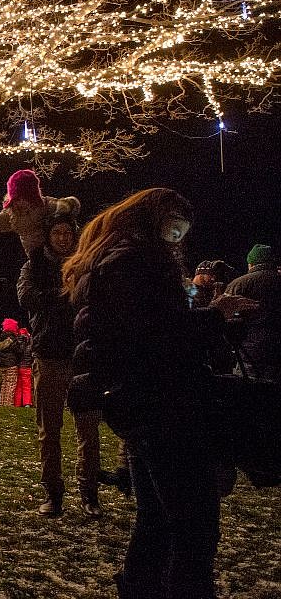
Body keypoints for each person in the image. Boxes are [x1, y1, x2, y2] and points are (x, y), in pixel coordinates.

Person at [63, 188, 252, 599]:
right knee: (194, 521)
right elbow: (160, 337)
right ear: (154, 221)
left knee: (157, 519)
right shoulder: (140, 262)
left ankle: (140, 588)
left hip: (139, 402)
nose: (178, 236)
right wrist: (215, 317)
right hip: (164, 403)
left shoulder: (115, 259)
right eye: (174, 225)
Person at [18, 210, 102, 517]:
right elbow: (28, 298)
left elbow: (96, 299)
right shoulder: (34, 266)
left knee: (88, 429)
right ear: (48, 236)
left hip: (83, 354)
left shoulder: (85, 265)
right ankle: (53, 493)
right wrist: (65, 294)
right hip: (49, 355)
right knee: (49, 430)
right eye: (57, 233)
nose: (63, 238)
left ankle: (89, 493)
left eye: (68, 233)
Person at [0, 168, 81, 255]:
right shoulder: (13, 216)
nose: (21, 202)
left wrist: (64, 207)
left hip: (60, 250)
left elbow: (71, 203)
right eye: (17, 198)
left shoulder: (45, 206)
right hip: (36, 256)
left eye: (25, 198)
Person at [224, 244, 281, 382]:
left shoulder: (239, 284)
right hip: (277, 351)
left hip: (249, 351)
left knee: (248, 394)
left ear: (251, 263)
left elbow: (224, 317)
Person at [0, 318, 24, 407]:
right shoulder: (12, 338)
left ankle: (2, 403)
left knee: (4, 384)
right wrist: (21, 343)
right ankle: (8, 404)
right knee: (11, 384)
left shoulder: (0, 338)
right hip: (11, 364)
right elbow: (18, 351)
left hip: (2, 364)